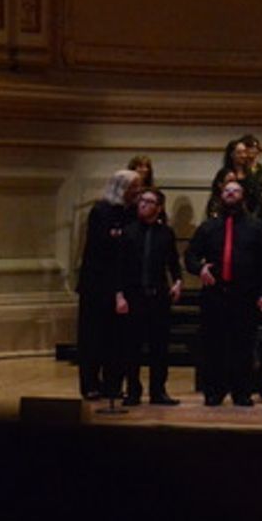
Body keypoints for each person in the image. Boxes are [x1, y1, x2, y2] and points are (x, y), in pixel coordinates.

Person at [184, 180, 262, 407]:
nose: (231, 194)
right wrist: (200, 268)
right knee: (213, 345)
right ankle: (214, 391)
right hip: (215, 294)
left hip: (245, 295)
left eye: (236, 191)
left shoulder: (256, 227)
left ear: (243, 196)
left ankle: (241, 392)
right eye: (227, 191)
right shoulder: (208, 227)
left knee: (242, 346)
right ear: (220, 195)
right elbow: (190, 256)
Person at [77, 169, 142, 400]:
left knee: (118, 339)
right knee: (93, 336)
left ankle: (114, 384)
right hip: (98, 285)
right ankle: (91, 383)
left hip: (123, 283)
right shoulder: (101, 211)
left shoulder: (133, 213)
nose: (138, 191)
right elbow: (99, 249)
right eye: (134, 187)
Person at [115, 188, 182, 405]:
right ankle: (133, 390)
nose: (143, 204)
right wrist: (119, 296)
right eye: (141, 200)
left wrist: (178, 283)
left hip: (158, 297)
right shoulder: (128, 232)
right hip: (134, 296)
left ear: (158, 208)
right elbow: (119, 268)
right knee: (131, 347)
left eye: (149, 201)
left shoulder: (166, 233)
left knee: (159, 348)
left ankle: (158, 391)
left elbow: (173, 264)